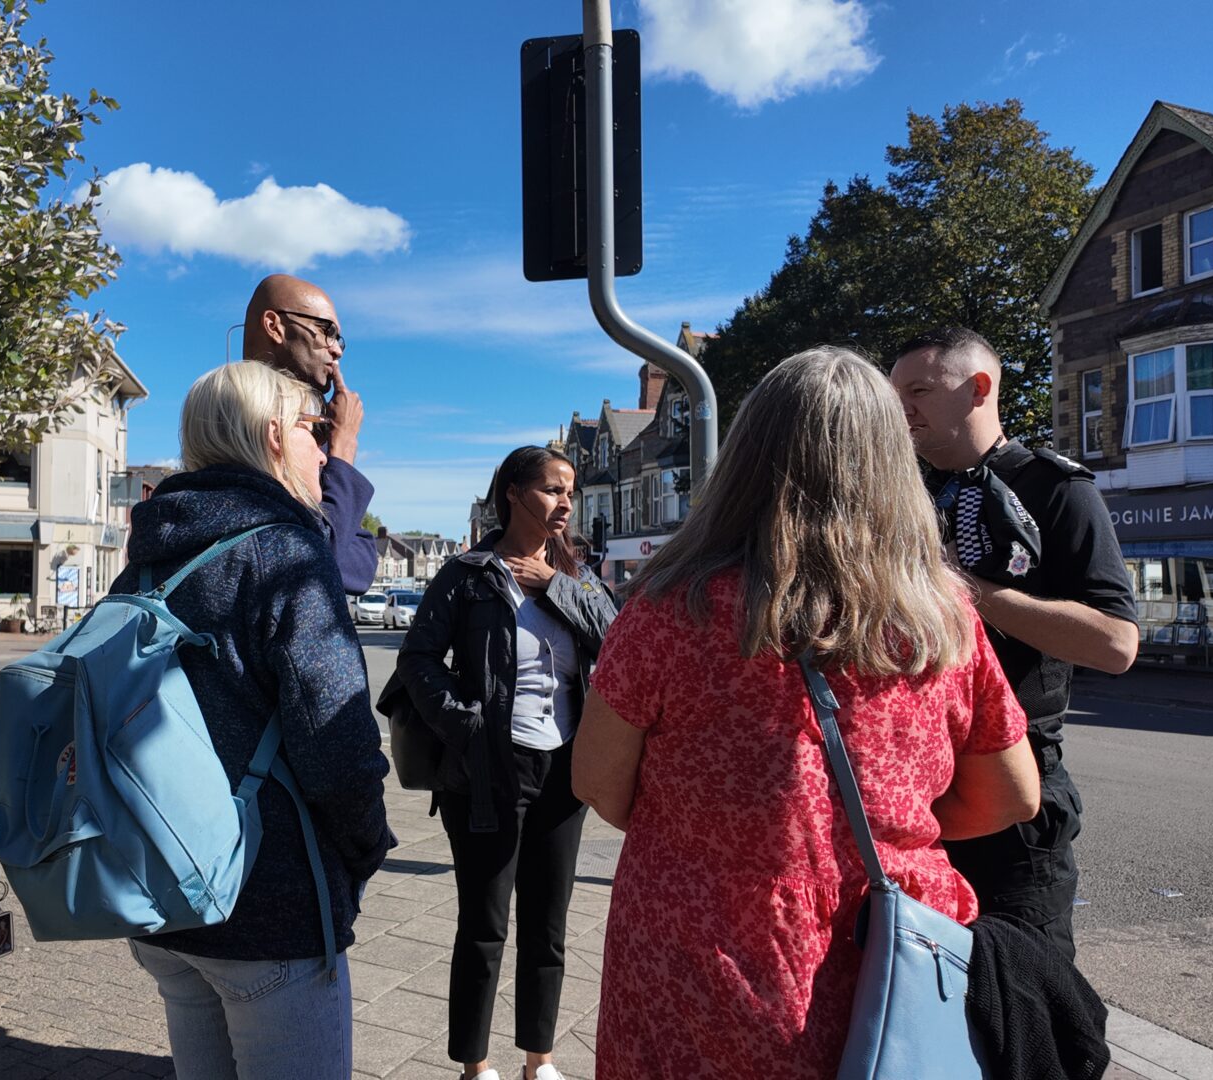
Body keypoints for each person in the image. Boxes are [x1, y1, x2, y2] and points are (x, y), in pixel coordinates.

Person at [570, 347, 1041, 1079]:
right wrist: (882, 838)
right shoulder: (943, 615)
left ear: (747, 457)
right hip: (885, 961)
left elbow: (599, 780)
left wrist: (717, 831)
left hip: (698, 953)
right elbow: (1013, 793)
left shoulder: (672, 608)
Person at [118, 360, 393, 1080]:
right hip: (270, 907)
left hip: (162, 895)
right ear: (275, 436)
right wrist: (364, 852)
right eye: (313, 430)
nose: (324, 450)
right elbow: (338, 742)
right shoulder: (282, 550)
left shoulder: (149, 554)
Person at [890, 327, 1139, 959]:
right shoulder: (897, 500)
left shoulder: (1058, 489)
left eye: (918, 390)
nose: (902, 409)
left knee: (1030, 1004)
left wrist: (967, 590)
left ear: (979, 389)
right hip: (909, 785)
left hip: (1020, 794)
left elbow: (1116, 644)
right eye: (897, 395)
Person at [397, 446, 617, 1080]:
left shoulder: (575, 573)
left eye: (570, 491)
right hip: (487, 773)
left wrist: (557, 588)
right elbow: (415, 662)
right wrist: (466, 725)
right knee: (484, 926)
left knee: (547, 927)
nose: (566, 502)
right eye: (553, 490)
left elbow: (618, 640)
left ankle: (539, 1060)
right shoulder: (468, 574)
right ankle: (475, 1064)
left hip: (563, 771)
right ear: (514, 493)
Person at [241, 274, 379, 593]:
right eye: (325, 331)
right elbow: (316, 559)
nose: (336, 350)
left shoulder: (306, 430)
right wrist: (342, 446)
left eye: (339, 338)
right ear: (274, 326)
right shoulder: (236, 415)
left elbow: (359, 567)